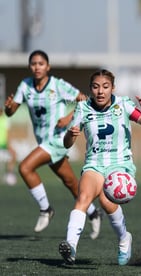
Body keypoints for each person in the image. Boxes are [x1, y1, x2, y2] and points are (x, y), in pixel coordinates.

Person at [58, 69, 141, 265]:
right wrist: (71, 134)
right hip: (94, 164)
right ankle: (70, 247)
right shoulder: (82, 108)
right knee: (83, 198)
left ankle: (124, 238)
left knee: (106, 201)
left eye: (105, 87)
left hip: (120, 164)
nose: (100, 91)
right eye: (95, 87)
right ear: (90, 89)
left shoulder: (124, 105)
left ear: (113, 88)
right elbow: (66, 143)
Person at [4, 50, 102, 239]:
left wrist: (69, 118)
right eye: (33, 63)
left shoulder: (57, 85)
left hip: (58, 140)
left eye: (41, 63)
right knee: (71, 182)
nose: (37, 67)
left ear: (47, 67)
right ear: (29, 67)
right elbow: (10, 112)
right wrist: (8, 108)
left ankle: (46, 209)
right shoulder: (25, 85)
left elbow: (85, 100)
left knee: (25, 168)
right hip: (43, 141)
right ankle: (93, 213)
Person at [0, 108, 17, 186]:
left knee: (13, 154)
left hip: (4, 144)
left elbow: (8, 133)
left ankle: (9, 174)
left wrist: (9, 144)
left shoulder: (5, 120)